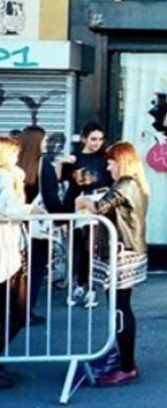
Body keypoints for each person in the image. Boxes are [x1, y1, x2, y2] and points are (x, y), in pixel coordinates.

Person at [75, 142, 149, 387]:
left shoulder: (126, 184)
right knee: (120, 307)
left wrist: (85, 201)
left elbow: (101, 207)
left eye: (111, 162)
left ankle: (127, 366)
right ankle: (124, 359)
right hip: (127, 251)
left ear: (122, 161)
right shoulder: (134, 183)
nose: (108, 166)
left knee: (120, 309)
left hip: (122, 253)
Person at [59, 122, 112, 309]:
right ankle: (80, 284)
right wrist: (63, 218)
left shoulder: (106, 158)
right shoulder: (76, 158)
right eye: (93, 139)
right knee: (80, 246)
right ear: (84, 139)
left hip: (100, 201)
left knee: (93, 246)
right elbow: (69, 188)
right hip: (80, 202)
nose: (97, 143)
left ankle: (90, 288)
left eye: (100, 139)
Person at [17, 126, 64, 324]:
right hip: (38, 225)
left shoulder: (15, 165)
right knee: (35, 270)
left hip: (17, 223)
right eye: (44, 140)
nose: (46, 144)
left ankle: (13, 309)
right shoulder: (43, 165)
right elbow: (52, 198)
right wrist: (62, 219)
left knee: (18, 270)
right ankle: (26, 310)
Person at [0, 137, 35, 389]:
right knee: (14, 313)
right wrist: (31, 210)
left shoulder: (9, 177)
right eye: (14, 153)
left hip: (11, 252)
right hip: (5, 254)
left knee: (13, 313)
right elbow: (10, 209)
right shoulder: (3, 177)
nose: (17, 157)